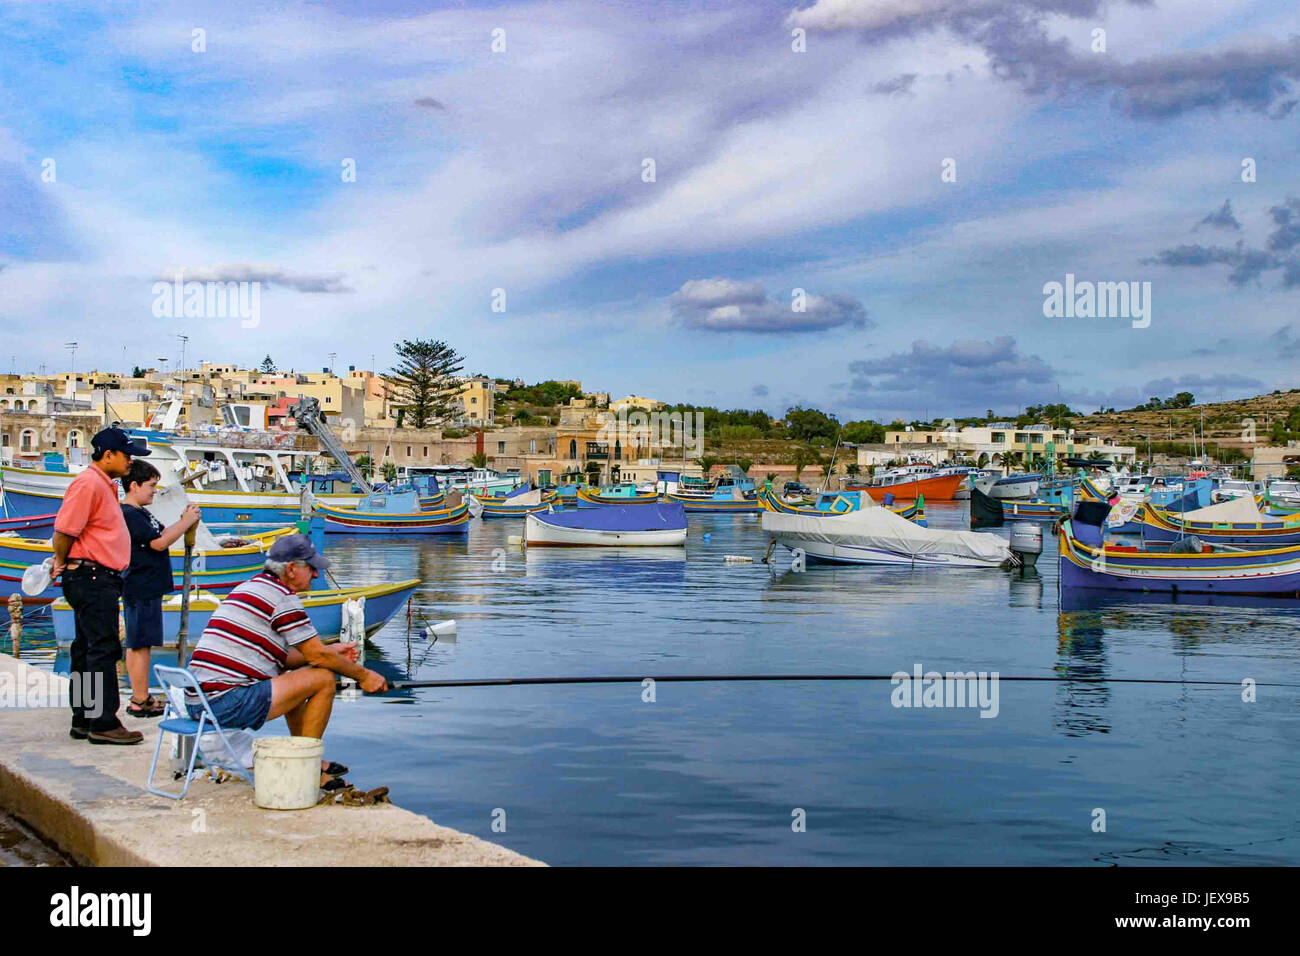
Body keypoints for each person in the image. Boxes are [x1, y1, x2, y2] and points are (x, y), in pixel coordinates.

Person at [184, 534, 388, 790]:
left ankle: (304, 755)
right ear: (292, 569)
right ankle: (307, 768)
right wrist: (365, 676)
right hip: (224, 703)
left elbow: (289, 657)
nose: (315, 575)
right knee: (323, 679)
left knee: (303, 675)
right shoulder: (282, 598)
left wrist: (331, 650)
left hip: (199, 702)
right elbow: (316, 656)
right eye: (312, 568)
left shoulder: (251, 587)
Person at [51, 427, 152, 745]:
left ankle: (84, 716)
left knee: (86, 649)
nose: (130, 462)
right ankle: (103, 720)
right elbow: (64, 529)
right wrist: (60, 560)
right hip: (93, 577)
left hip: (92, 576)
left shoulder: (101, 485)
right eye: (127, 455)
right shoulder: (89, 484)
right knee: (102, 648)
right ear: (108, 455)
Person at [119, 459, 202, 718]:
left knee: (143, 642)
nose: (155, 490)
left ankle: (141, 696)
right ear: (134, 485)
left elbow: (162, 534)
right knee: (140, 643)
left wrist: (182, 522)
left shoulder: (142, 513)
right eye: (151, 485)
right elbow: (158, 542)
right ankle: (140, 698)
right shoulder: (130, 514)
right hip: (140, 585)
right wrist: (186, 522)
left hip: (148, 587)